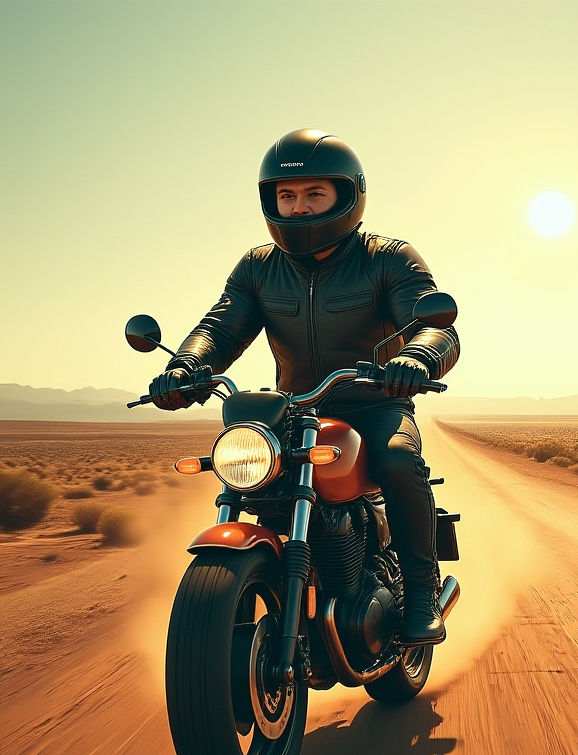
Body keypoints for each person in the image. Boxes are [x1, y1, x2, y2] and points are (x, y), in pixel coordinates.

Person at [148, 128, 460, 645]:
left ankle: (420, 594)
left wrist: (419, 357)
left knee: (400, 462)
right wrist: (185, 368)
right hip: (292, 412)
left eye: (315, 194)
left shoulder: (388, 258)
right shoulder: (258, 269)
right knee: (250, 481)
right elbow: (220, 328)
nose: (298, 207)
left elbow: (435, 324)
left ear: (348, 195)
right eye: (286, 196)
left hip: (374, 404)